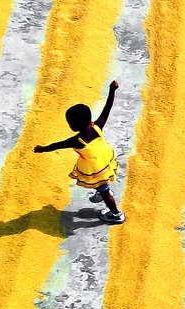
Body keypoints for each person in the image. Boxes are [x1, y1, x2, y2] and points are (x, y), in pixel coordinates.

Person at [33, 80, 125, 224]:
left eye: (70, 123)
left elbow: (57, 145)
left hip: (96, 168)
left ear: (74, 125)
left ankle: (116, 214)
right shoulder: (97, 126)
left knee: (104, 190)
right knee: (103, 185)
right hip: (104, 158)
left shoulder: (77, 140)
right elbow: (107, 108)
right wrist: (112, 90)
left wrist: (41, 149)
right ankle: (103, 192)